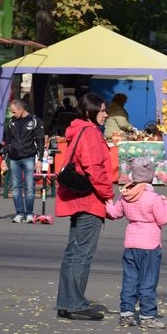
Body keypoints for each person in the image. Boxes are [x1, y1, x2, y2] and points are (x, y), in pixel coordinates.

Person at [55, 93, 115, 321]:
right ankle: (76, 303)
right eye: (102, 110)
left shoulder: (78, 129)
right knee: (81, 253)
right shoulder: (90, 133)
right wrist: (108, 196)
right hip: (90, 200)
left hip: (77, 198)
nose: (105, 114)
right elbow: (95, 169)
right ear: (90, 112)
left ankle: (66, 302)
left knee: (73, 252)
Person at [106, 157, 167, 330]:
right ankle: (147, 316)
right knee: (148, 281)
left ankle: (126, 314)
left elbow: (114, 213)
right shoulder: (154, 198)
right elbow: (163, 219)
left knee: (130, 279)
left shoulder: (125, 195)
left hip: (131, 243)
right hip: (150, 245)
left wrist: (106, 202)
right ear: (150, 176)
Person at [3, 99, 45, 223]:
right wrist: (4, 159)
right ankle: (20, 213)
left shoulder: (35, 121)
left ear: (21, 110)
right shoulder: (11, 122)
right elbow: (7, 142)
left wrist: (40, 159)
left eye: (14, 112)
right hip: (14, 158)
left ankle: (29, 213)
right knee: (15, 187)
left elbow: (40, 141)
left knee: (29, 187)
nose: (12, 114)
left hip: (29, 157)